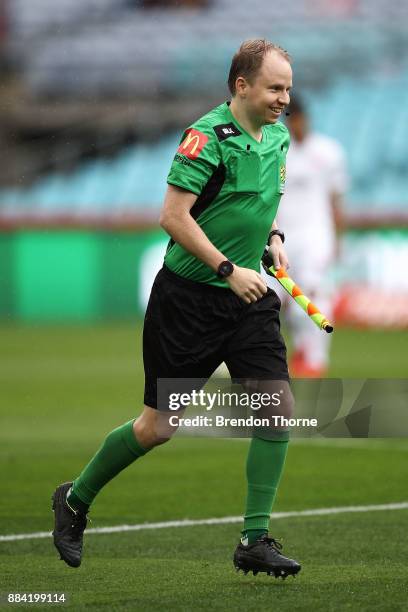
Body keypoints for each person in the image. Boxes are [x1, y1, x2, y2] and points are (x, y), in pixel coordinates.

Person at [52, 39, 301, 579]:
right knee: (159, 427)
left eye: (288, 87)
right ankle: (75, 499)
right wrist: (227, 270)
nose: (285, 97)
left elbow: (265, 201)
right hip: (190, 301)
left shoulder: (279, 137)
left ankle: (254, 539)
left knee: (277, 412)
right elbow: (173, 216)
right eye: (275, 87)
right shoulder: (206, 137)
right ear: (242, 86)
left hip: (250, 298)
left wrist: (273, 237)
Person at [270, 96, 348, 377]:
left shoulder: (328, 152)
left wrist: (338, 239)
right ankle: (302, 348)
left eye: (301, 118)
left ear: (307, 118)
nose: (298, 124)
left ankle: (316, 358)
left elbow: (336, 199)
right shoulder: (278, 151)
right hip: (284, 237)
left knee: (314, 291)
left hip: (316, 235)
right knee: (282, 300)